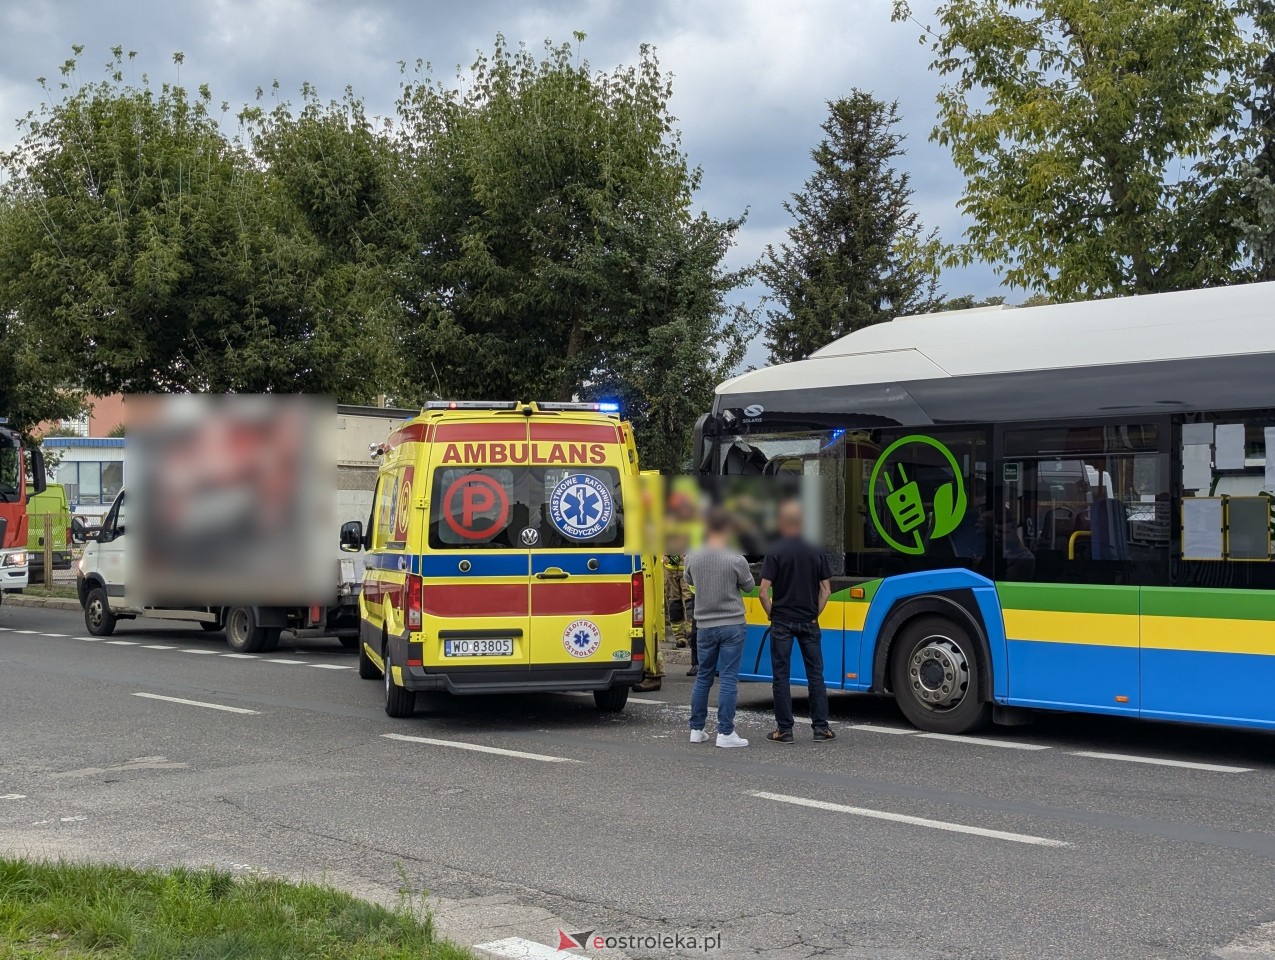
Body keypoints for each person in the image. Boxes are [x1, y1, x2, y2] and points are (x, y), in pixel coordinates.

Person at [759, 500, 835, 743]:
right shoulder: (816, 549)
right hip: (809, 621)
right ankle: (821, 729)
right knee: (816, 675)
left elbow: (763, 591)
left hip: (782, 621)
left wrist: (772, 613)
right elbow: (826, 590)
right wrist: (815, 613)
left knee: (781, 676)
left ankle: (785, 730)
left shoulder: (776, 549)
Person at [685, 508, 754, 748]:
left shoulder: (692, 556)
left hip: (704, 625)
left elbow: (689, 580)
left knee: (703, 676)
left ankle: (697, 729)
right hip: (732, 624)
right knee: (728, 678)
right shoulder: (735, 558)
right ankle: (725, 733)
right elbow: (748, 585)